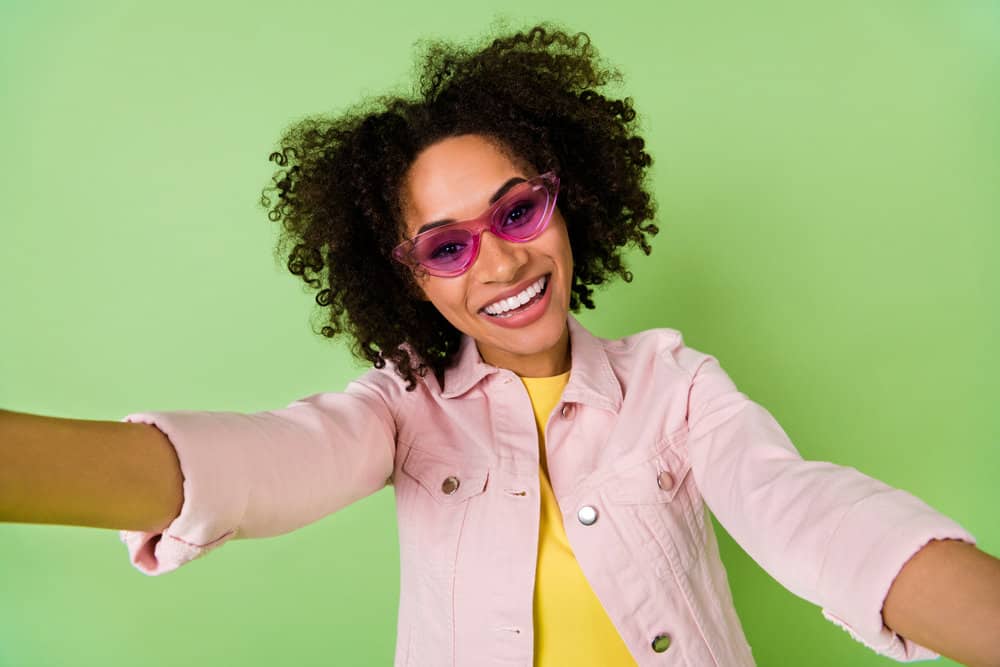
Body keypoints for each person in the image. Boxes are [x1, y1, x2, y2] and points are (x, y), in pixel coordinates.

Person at [2, 24, 999, 667]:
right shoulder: (399, 409)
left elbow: (809, 515)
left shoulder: (672, 385)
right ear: (410, 277)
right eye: (446, 245)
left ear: (568, 206)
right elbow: (263, 461)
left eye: (516, 210)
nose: (497, 264)